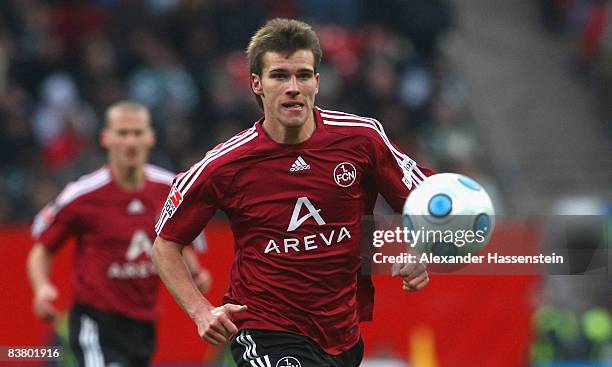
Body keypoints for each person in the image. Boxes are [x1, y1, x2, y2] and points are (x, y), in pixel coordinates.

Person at [152, 18, 432, 367]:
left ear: (317, 81)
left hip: (342, 334)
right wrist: (199, 311)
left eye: (302, 75)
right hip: (266, 328)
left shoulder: (362, 139)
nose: (293, 87)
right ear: (257, 83)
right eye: (280, 76)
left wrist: (419, 250)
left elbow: (429, 202)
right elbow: (165, 244)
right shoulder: (225, 164)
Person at [27, 101, 211, 367]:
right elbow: (41, 249)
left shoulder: (170, 189)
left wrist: (194, 272)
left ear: (150, 137)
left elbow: (181, 241)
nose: (130, 141)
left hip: (144, 322)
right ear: (106, 138)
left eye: (137, 133)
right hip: (96, 320)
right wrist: (42, 287)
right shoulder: (83, 194)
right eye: (122, 133)